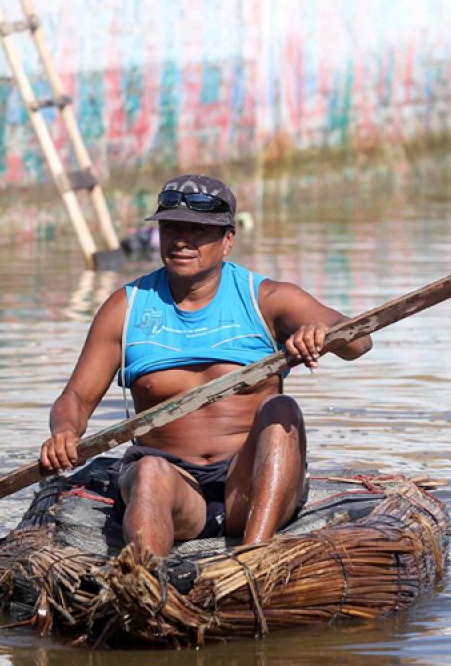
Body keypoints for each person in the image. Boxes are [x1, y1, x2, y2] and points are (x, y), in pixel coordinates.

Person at [39, 174, 372, 557]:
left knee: (283, 410)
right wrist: (65, 432)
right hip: (174, 487)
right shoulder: (126, 308)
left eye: (198, 230)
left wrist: (321, 334)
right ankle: (146, 583)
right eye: (172, 228)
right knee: (146, 472)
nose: (182, 241)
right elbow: (77, 397)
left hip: (248, 487)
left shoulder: (266, 299)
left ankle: (252, 559)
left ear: (228, 239)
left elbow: (360, 339)